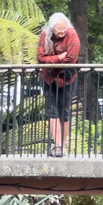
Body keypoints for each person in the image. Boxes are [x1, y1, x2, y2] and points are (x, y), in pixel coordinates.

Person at [37, 12, 80, 157]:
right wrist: (59, 57)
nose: (62, 31)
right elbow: (41, 58)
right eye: (58, 29)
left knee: (65, 112)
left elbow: (71, 59)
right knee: (52, 112)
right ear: (52, 29)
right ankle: (58, 146)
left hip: (67, 78)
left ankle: (63, 145)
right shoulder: (45, 35)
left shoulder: (72, 34)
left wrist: (52, 61)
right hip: (48, 78)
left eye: (64, 28)